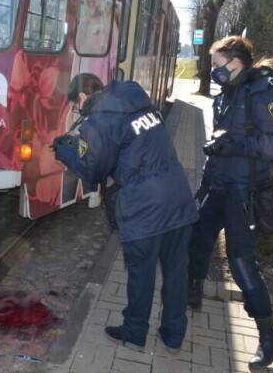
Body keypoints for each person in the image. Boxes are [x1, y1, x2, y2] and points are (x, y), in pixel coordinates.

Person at [53, 73, 199, 353]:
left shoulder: (99, 121)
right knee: (176, 273)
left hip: (144, 208)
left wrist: (64, 151)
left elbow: (93, 171)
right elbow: (127, 149)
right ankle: (173, 334)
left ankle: (134, 332)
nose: (77, 110)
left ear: (82, 98)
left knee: (141, 274)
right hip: (178, 199)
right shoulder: (140, 104)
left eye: (75, 105)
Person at [187, 36, 273, 368]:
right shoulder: (226, 95)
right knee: (197, 240)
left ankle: (269, 338)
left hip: (245, 193)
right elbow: (216, 146)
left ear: (236, 63)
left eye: (218, 65)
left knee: (241, 263)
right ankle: (192, 294)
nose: (214, 71)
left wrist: (238, 146)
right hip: (219, 187)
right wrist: (203, 186)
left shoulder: (266, 91)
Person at [74, 0, 118, 84]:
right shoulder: (83, 25)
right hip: (80, 99)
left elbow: (116, 63)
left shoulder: (107, 26)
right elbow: (75, 67)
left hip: (98, 100)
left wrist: (110, 21)